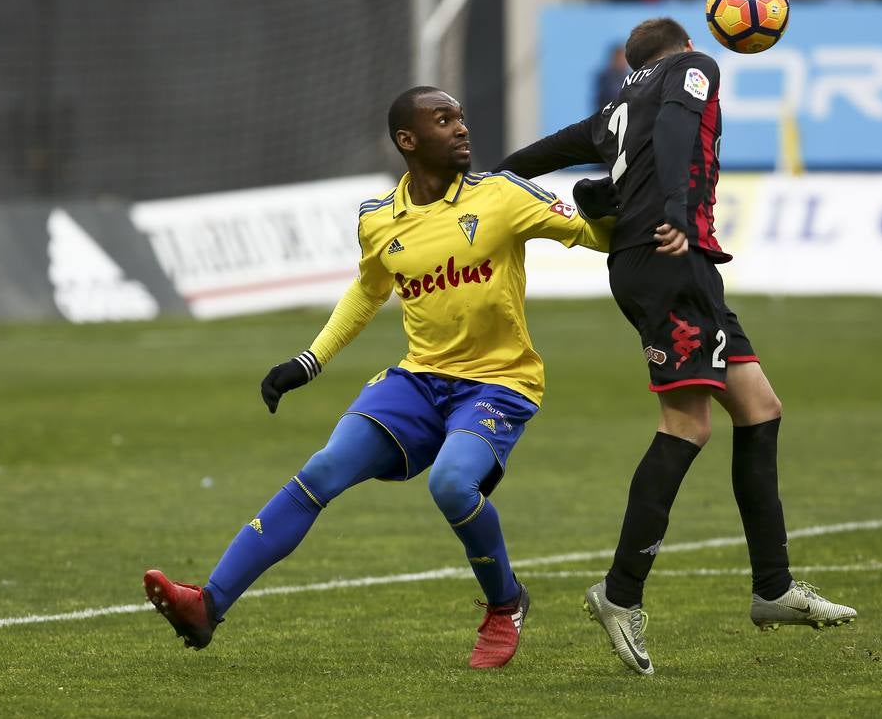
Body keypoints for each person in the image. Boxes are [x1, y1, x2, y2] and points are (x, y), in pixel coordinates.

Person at [143, 86, 612, 669]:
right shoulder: (378, 219)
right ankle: (207, 605)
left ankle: (505, 604)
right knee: (321, 471)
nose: (462, 128)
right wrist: (309, 360)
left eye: (462, 117)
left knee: (451, 485)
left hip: (498, 382)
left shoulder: (503, 196)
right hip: (418, 381)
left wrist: (619, 206)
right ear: (407, 141)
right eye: (444, 120)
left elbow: (598, 237)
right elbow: (368, 292)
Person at [495, 18, 855, 677]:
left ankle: (772, 588)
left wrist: (491, 181)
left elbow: (543, 152)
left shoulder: (615, 107)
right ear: (686, 43)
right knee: (687, 425)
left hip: (673, 268)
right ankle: (620, 592)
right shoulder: (693, 68)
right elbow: (677, 134)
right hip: (669, 258)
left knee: (760, 409)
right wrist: (675, 211)